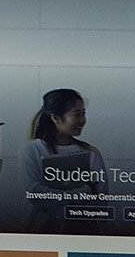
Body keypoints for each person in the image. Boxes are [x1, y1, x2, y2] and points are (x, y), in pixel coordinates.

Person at [17, 88, 104, 233]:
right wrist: (83, 192)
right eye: (77, 114)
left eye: (83, 113)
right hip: (39, 234)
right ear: (56, 118)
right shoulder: (32, 149)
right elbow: (34, 193)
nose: (82, 120)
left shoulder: (91, 153)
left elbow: (101, 200)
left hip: (83, 234)